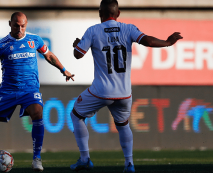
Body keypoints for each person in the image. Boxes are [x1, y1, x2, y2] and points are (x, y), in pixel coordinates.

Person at [70, 0, 183, 172]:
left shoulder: (93, 30)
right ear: (118, 13)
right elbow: (149, 41)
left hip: (101, 91)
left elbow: (78, 54)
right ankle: (129, 163)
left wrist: (76, 45)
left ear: (100, 13)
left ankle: (85, 158)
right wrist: (168, 42)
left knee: (76, 114)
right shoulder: (128, 28)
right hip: (124, 93)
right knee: (123, 125)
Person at [0, 12, 74, 172]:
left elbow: (49, 55)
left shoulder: (35, 40)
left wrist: (64, 70)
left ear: (26, 24)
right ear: (10, 24)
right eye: (16, 25)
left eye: (23, 26)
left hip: (30, 89)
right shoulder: (0, 45)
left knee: (38, 114)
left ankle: (36, 158)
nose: (20, 29)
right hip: (7, 91)